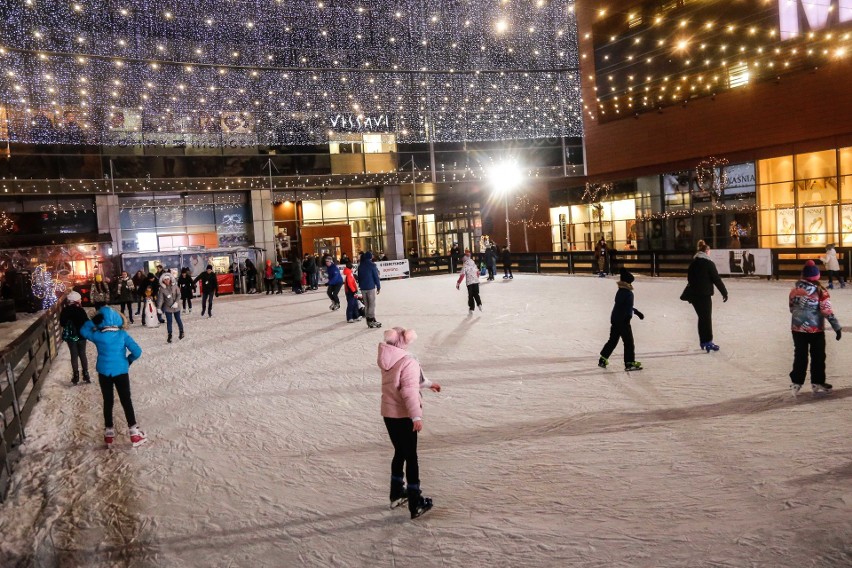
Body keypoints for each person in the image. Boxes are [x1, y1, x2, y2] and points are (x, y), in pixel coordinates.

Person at [378, 327, 441, 519]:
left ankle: (397, 493)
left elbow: (411, 381)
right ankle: (416, 502)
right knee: (411, 458)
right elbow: (409, 391)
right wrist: (416, 416)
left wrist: (429, 384)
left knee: (400, 452)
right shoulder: (408, 361)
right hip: (404, 416)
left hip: (389, 414)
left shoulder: (389, 359)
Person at [79, 306, 146, 448]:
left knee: (108, 401)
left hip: (104, 372)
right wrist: (128, 360)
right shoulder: (122, 335)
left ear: (100, 320)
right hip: (121, 371)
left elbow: (83, 331)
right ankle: (134, 432)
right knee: (126, 400)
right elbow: (137, 351)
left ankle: (109, 432)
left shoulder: (98, 336)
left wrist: (93, 322)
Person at [788, 260, 842, 396]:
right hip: (815, 329)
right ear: (817, 276)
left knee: (800, 355)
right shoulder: (820, 291)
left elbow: (791, 308)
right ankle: (817, 381)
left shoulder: (795, 290)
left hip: (797, 329)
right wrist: (836, 326)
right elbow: (826, 310)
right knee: (817, 355)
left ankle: (796, 382)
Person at [598, 268, 644, 371]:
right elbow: (627, 308)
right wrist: (629, 316)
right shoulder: (628, 293)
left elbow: (623, 306)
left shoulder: (620, 291)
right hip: (623, 321)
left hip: (615, 319)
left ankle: (603, 359)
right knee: (628, 342)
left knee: (613, 340)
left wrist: (636, 312)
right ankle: (629, 363)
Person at [686, 240, 728, 352]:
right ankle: (708, 341)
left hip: (694, 295)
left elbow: (689, 278)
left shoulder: (694, 263)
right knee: (706, 318)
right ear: (706, 251)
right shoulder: (709, 263)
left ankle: (703, 341)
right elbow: (716, 279)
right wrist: (724, 292)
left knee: (702, 318)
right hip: (704, 295)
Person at [59, 291, 91, 385]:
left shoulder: (65, 310)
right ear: (76, 300)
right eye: (79, 299)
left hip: (71, 337)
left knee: (74, 355)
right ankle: (86, 374)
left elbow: (62, 323)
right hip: (81, 336)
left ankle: (76, 376)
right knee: (82, 354)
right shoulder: (80, 310)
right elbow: (86, 322)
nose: (81, 300)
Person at [156, 273, 184, 343]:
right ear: (163, 281)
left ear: (170, 279)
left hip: (176, 307)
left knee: (178, 319)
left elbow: (179, 294)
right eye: (165, 280)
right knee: (169, 321)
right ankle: (170, 335)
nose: (167, 281)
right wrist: (159, 308)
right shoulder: (162, 289)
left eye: (168, 279)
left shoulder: (175, 286)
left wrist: (176, 302)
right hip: (168, 307)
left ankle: (181, 332)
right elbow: (160, 299)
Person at [358, 251, 382, 328]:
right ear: (370, 257)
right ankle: (371, 319)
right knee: (371, 304)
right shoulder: (372, 265)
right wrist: (378, 286)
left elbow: (359, 277)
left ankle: (370, 320)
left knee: (367, 304)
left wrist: (361, 286)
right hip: (370, 287)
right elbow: (376, 277)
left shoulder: (360, 265)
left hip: (363, 288)